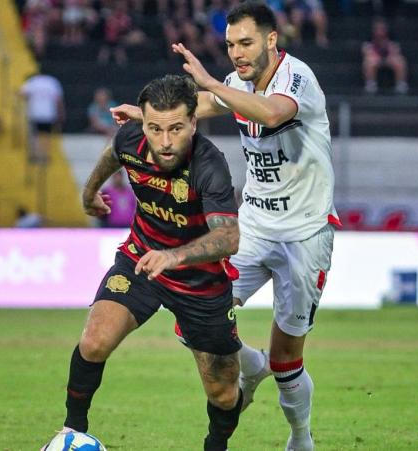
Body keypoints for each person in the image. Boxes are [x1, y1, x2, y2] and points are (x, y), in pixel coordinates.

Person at [111, 4, 337, 449]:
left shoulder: (298, 79)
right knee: (192, 321)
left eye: (246, 43)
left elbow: (272, 113)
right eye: (231, 44)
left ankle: (300, 437)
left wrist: (213, 83)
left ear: (271, 41)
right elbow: (203, 105)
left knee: (287, 358)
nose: (236, 52)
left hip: (305, 232)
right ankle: (250, 364)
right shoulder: (234, 83)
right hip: (252, 225)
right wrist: (147, 118)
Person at [44, 75, 243, 451]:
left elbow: (228, 238)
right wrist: (89, 193)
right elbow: (113, 155)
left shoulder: (209, 165)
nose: (165, 141)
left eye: (175, 129)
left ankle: (215, 446)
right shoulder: (130, 139)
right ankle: (72, 433)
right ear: (144, 123)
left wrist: (173, 256)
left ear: (193, 123)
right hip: (140, 260)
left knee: (224, 391)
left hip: (200, 281)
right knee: (95, 340)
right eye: (154, 128)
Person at [19, 71, 64, 164]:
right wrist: (61, 114)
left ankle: (35, 155)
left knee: (34, 135)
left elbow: (22, 93)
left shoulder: (32, 82)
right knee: (47, 135)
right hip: (48, 113)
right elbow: (58, 100)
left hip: (35, 113)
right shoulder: (52, 82)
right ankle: (45, 155)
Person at [362, 18, 409, 94]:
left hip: (389, 58)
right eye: (378, 28)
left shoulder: (392, 37)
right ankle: (371, 84)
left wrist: (389, 55)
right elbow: (365, 50)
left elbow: (396, 50)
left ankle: (401, 84)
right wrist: (377, 56)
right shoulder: (369, 38)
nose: (380, 30)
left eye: (382, 28)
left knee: (400, 61)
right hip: (375, 58)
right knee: (368, 62)